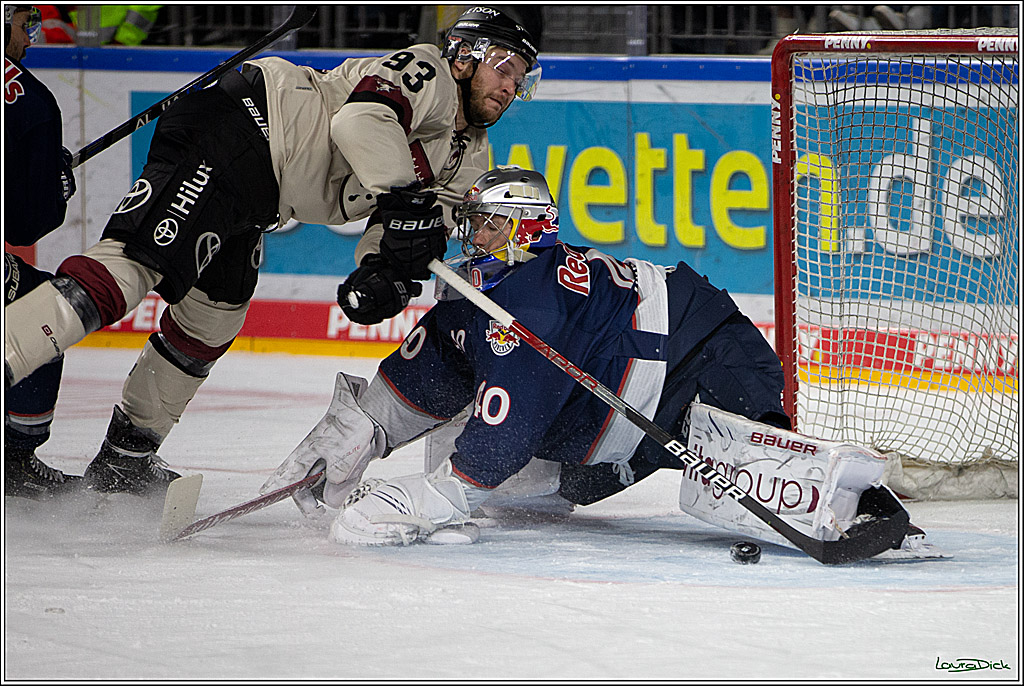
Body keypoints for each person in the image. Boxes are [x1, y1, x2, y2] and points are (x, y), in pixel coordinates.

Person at [4, 6, 541, 498]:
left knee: (213, 319)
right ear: (466, 55)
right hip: (241, 126)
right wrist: (403, 200)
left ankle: (125, 460)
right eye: (505, 66)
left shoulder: (471, 152)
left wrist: (383, 269)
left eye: (521, 78)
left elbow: (413, 227)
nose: (510, 86)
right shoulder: (430, 71)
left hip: (263, 188)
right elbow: (361, 122)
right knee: (133, 266)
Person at [261, 166, 804, 546]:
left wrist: (435, 499)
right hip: (626, 408)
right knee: (547, 493)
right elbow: (432, 367)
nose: (473, 235)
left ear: (525, 226)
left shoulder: (530, 302)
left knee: (768, 474)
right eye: (472, 222)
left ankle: (870, 480)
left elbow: (507, 433)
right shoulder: (487, 292)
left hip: (707, 359)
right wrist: (361, 428)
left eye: (489, 224)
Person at [5, 4, 79, 499]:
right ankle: (14, 460)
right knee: (50, 308)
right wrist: (53, 182)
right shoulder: (30, 98)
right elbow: (26, 224)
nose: (30, 38)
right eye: (24, 24)